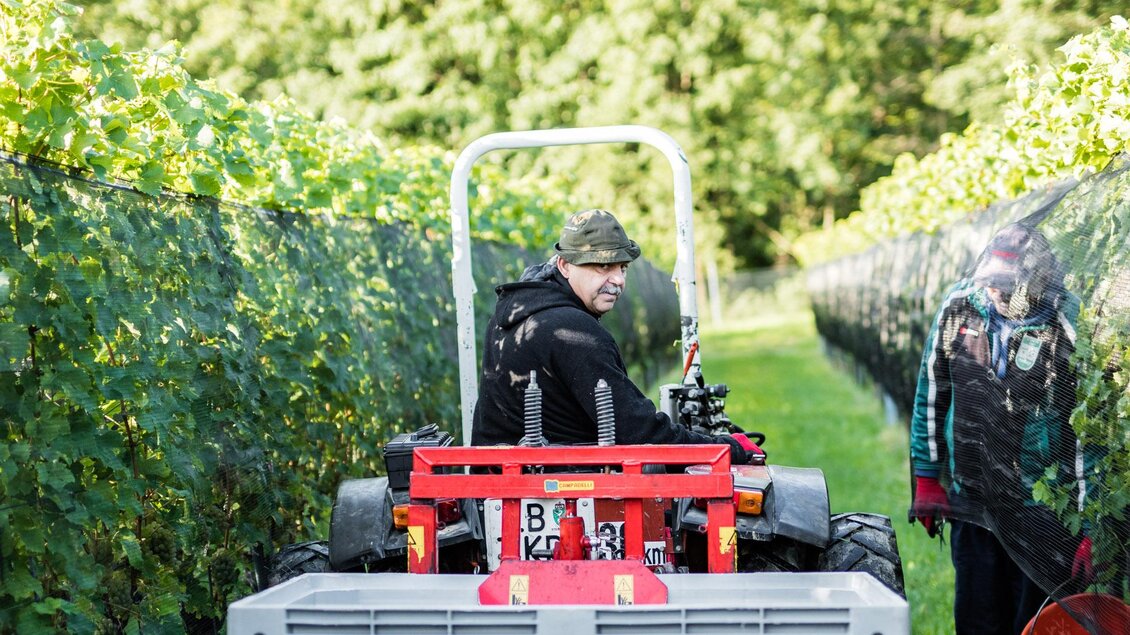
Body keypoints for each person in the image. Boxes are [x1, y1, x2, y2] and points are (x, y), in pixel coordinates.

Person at [908, 222, 1091, 634]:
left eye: (1009, 286)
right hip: (973, 496)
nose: (997, 293)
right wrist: (926, 477)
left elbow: (1088, 435)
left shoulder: (1067, 322)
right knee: (977, 617)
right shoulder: (958, 306)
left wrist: (1090, 529)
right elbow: (932, 391)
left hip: (1041, 507)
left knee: (1036, 623)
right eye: (992, 283)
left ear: (1039, 280)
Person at [471, 208, 756, 462]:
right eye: (602, 266)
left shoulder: (513, 313)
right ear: (565, 265)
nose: (618, 280)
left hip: (494, 493)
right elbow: (639, 433)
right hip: (563, 497)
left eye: (623, 267)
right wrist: (727, 449)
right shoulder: (571, 331)